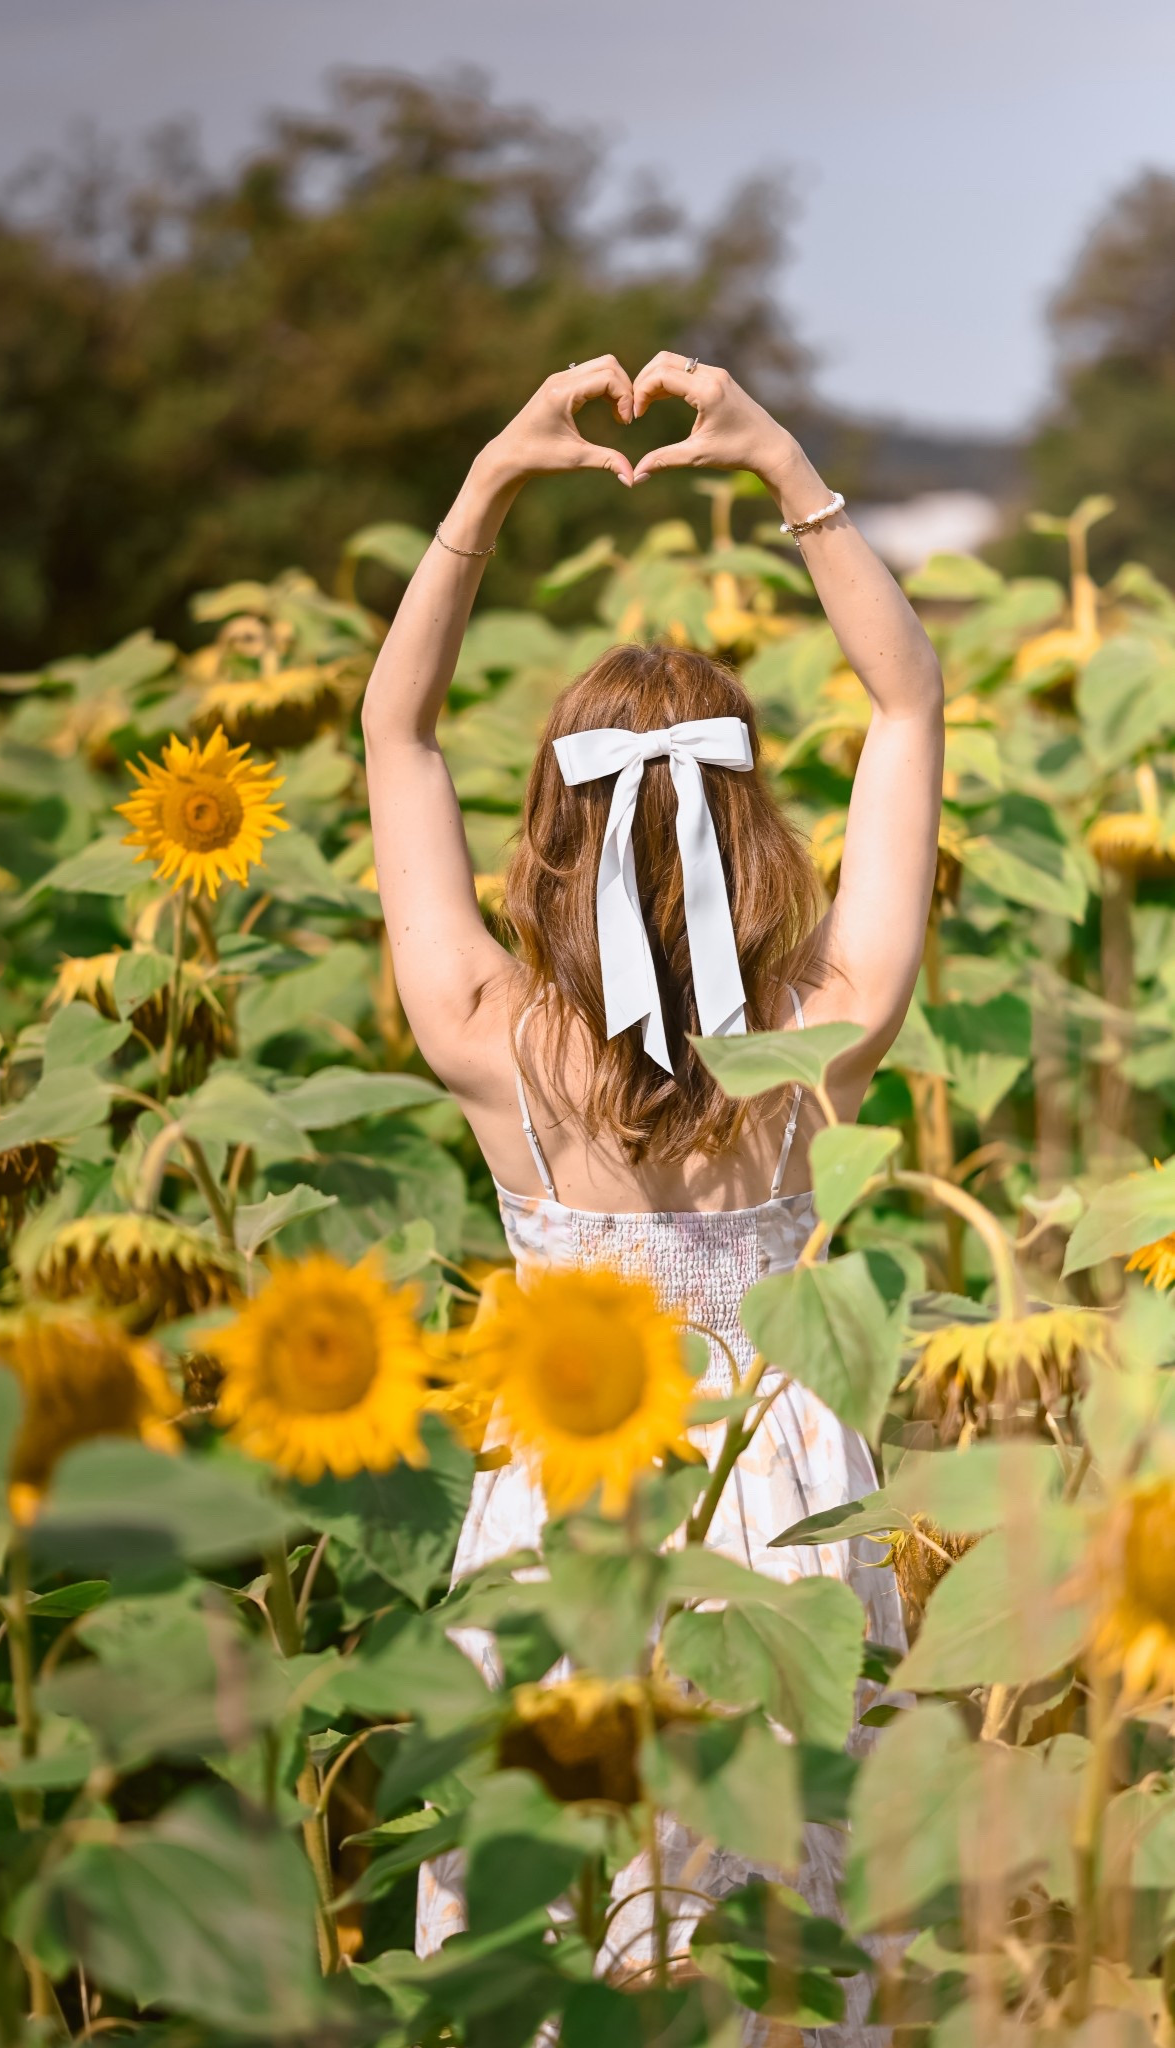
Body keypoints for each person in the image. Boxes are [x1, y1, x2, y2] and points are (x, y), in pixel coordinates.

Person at [361, 354, 944, 2002]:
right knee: (779, 1953)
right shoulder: (822, 1039)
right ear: (750, 828)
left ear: (551, 827)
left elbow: (393, 734)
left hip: (572, 1515)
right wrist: (789, 475)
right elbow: (909, 705)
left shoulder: (491, 1039)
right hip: (784, 1541)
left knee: (565, 1943)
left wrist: (487, 482)